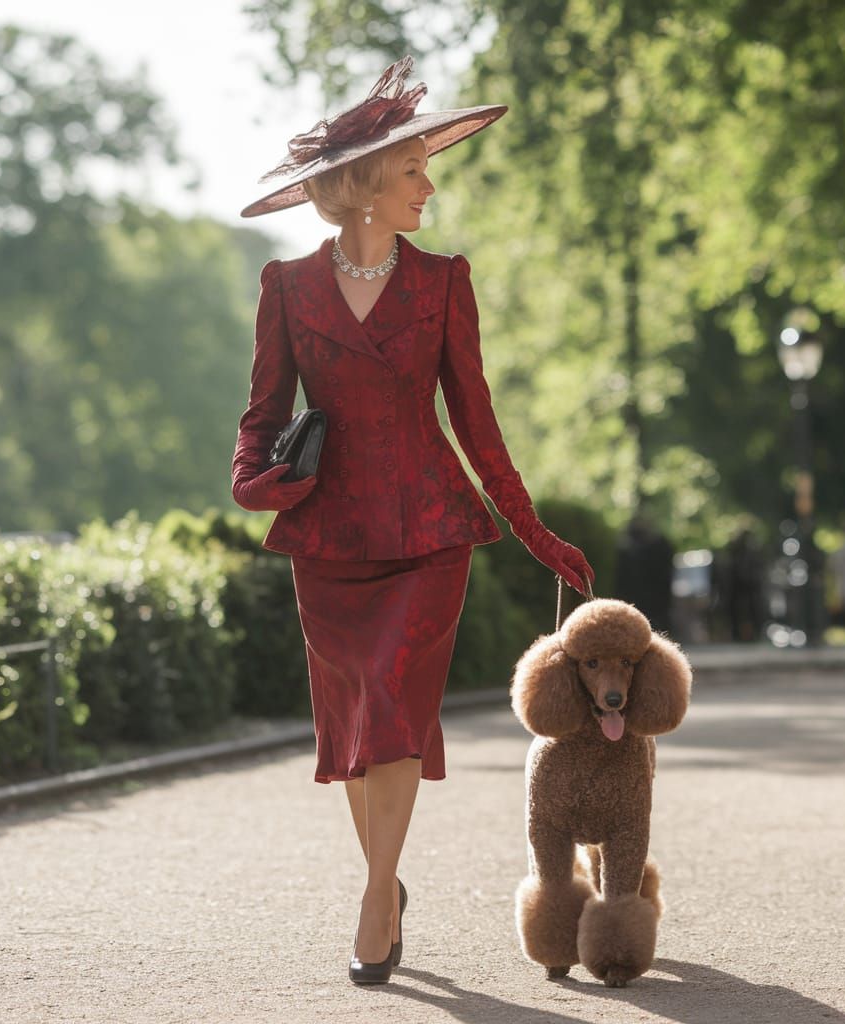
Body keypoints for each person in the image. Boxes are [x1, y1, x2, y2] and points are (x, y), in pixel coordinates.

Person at [231, 56, 594, 986]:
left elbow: (476, 421)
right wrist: (253, 481)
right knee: (353, 733)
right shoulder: (286, 288)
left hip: (431, 533)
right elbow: (263, 416)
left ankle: (373, 901)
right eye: (413, 172)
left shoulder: (442, 282)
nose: (428, 186)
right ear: (362, 187)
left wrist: (533, 532)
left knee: (394, 714)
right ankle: (386, 890)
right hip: (328, 540)